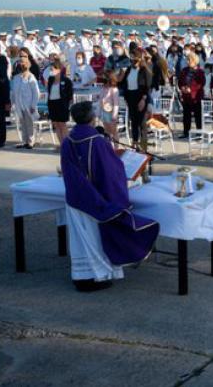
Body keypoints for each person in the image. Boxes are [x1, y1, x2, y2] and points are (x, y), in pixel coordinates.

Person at [60, 101, 160, 292]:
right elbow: (110, 172)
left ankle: (81, 276)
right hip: (94, 200)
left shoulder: (68, 140)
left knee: (81, 241)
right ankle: (96, 277)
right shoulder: (96, 142)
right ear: (92, 118)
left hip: (75, 198)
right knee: (94, 240)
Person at [120, 48, 153, 150]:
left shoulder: (144, 70)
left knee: (142, 123)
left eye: (135, 58)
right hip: (130, 97)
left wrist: (143, 99)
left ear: (140, 59)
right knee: (133, 122)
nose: (133, 61)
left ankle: (144, 147)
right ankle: (135, 144)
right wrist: (125, 97)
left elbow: (148, 87)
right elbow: (123, 84)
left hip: (141, 97)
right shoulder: (129, 69)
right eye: (131, 58)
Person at [11, 57, 39, 149]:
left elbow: (36, 93)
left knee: (30, 123)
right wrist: (12, 103)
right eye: (21, 63)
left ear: (28, 64)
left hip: (29, 105)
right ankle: (24, 141)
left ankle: (31, 142)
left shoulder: (31, 77)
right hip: (19, 105)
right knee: (23, 124)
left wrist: (33, 105)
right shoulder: (16, 78)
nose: (22, 64)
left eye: (24, 63)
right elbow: (13, 92)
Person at [177, 51, 206, 139]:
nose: (187, 62)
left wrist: (192, 89)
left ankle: (199, 133)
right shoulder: (184, 70)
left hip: (196, 96)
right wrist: (182, 88)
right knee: (186, 115)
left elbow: (201, 83)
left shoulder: (200, 71)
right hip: (186, 96)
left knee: (198, 116)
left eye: (189, 60)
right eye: (187, 60)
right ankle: (186, 132)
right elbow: (180, 81)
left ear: (194, 61)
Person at [46, 59, 73, 143]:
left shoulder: (66, 81)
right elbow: (49, 91)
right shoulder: (50, 80)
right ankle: (61, 144)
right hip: (52, 104)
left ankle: (67, 144)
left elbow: (70, 95)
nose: (51, 71)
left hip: (62, 104)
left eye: (52, 69)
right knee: (56, 125)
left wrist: (68, 105)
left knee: (62, 125)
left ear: (59, 69)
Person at [97, 70, 120, 144]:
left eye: (105, 80)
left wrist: (114, 116)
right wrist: (99, 113)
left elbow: (116, 104)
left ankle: (116, 149)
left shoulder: (114, 90)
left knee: (114, 132)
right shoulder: (103, 89)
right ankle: (109, 148)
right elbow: (100, 101)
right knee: (106, 132)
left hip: (111, 114)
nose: (103, 82)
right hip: (104, 113)